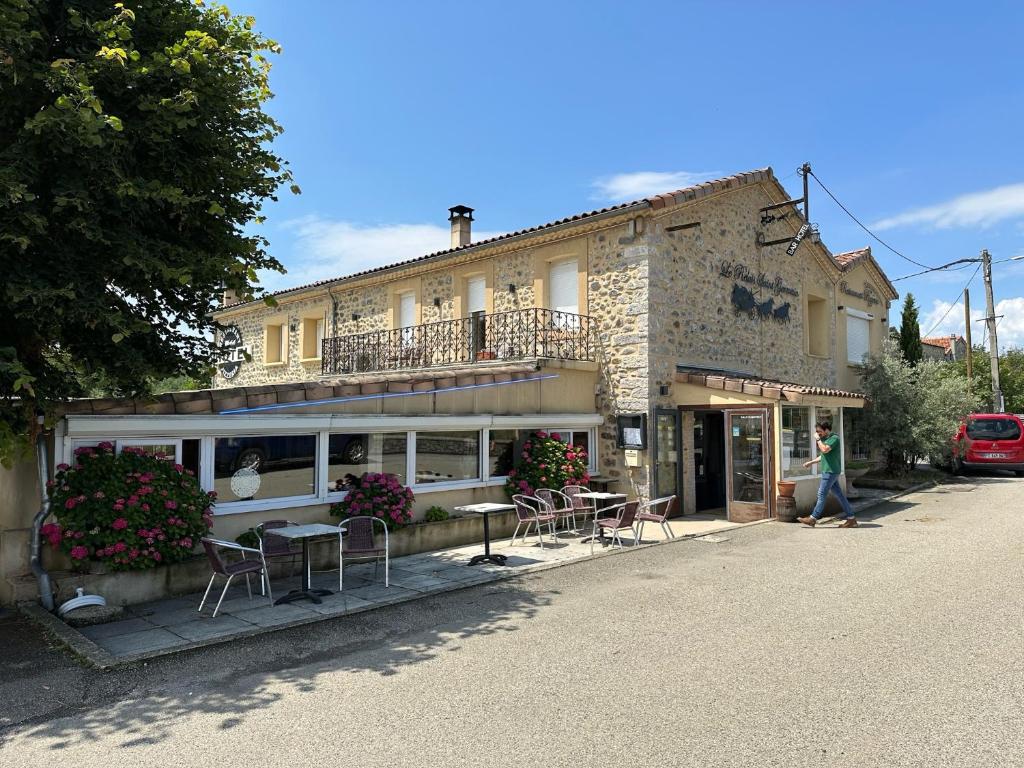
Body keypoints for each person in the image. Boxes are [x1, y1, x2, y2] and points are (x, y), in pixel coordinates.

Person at [797, 420, 857, 528]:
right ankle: (851, 519)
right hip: (829, 471)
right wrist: (811, 462)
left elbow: (824, 450)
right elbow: (824, 456)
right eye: (817, 432)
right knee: (840, 496)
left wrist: (818, 440)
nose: (818, 433)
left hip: (830, 472)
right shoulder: (825, 439)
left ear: (826, 430)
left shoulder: (834, 438)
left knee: (821, 494)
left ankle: (813, 518)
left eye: (820, 431)